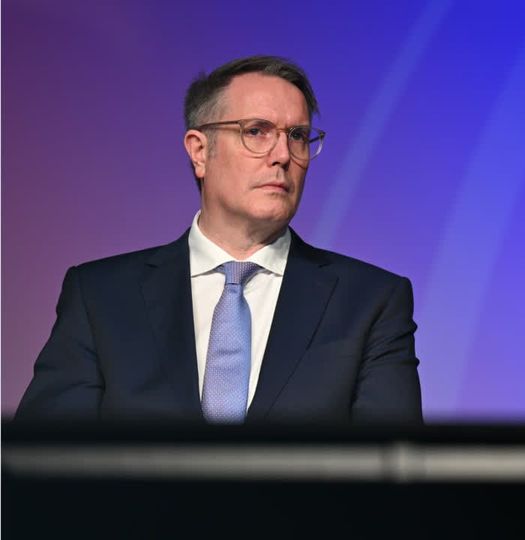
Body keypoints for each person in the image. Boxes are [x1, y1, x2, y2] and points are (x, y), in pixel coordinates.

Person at [17, 56, 422, 425]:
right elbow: (46, 460)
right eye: (257, 131)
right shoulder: (101, 296)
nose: (283, 155)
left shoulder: (370, 302)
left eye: (297, 135)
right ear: (199, 151)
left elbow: (389, 467)